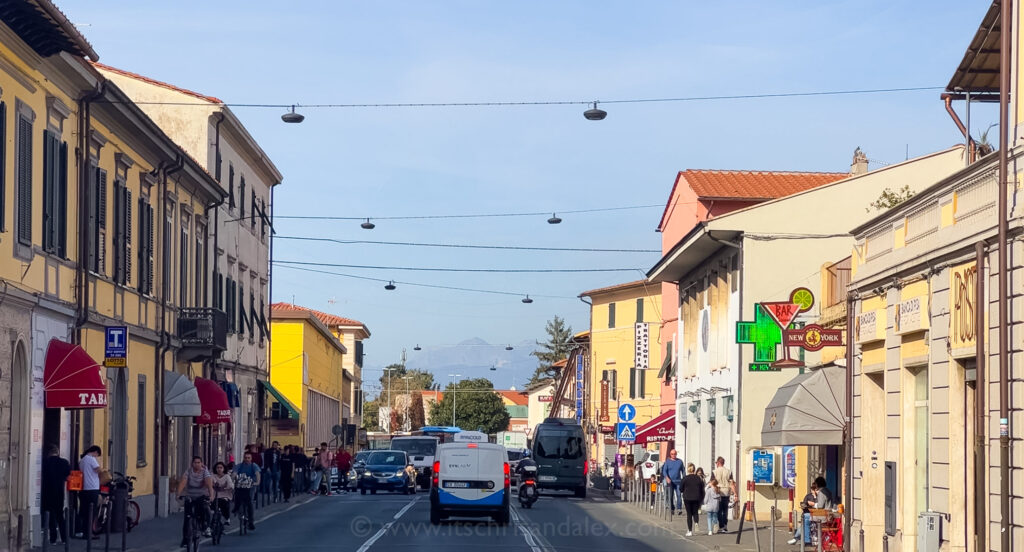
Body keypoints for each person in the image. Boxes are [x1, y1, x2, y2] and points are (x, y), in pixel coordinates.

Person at [176, 456, 215, 546]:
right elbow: (183, 482)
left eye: (198, 462)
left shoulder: (205, 472)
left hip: (202, 495)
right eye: (195, 462)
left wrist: (211, 495)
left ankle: (206, 527)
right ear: (192, 464)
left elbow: (209, 484)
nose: (197, 464)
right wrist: (178, 493)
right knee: (187, 518)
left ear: (201, 463)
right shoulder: (188, 471)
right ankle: (185, 539)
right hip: (190, 495)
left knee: (205, 508)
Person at [42, 444, 71, 544]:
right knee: (60, 516)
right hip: (59, 492)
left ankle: (53, 539)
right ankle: (64, 539)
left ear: (49, 453)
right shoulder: (64, 462)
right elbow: (68, 478)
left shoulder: (45, 462)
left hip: (47, 492)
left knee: (50, 517)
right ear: (58, 452)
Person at [75, 445, 102, 539]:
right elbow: (98, 470)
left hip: (84, 488)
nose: (96, 456)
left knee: (85, 512)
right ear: (94, 452)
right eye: (97, 454)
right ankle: (90, 533)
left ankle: (84, 532)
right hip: (92, 488)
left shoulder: (82, 460)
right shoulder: (91, 459)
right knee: (92, 512)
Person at [233, 451, 260, 531]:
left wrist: (257, 482)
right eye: (245, 458)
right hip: (240, 485)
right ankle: (237, 510)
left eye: (248, 458)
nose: (247, 459)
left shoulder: (254, 466)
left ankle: (251, 521)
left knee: (250, 502)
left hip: (250, 486)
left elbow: (257, 474)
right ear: (243, 458)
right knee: (237, 499)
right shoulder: (239, 466)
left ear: (251, 458)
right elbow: (234, 473)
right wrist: (232, 479)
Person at [681, 463, 705, 536]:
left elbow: (681, 488)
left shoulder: (685, 478)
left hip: (687, 497)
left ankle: (690, 531)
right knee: (695, 512)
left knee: (689, 514)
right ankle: (696, 522)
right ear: (694, 469)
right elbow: (702, 488)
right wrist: (701, 497)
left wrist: (684, 490)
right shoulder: (698, 478)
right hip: (696, 497)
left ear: (688, 469)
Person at [712, 456, 734, 533]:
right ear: (723, 463)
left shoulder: (715, 471)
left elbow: (712, 483)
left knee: (718, 510)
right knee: (725, 510)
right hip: (726, 491)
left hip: (718, 492)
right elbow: (732, 483)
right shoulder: (729, 471)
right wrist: (735, 493)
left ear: (718, 463)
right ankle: (725, 526)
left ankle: (721, 526)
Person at [211, 462, 234, 527]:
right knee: (212, 505)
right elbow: (210, 483)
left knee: (225, 504)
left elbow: (230, 485)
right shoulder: (213, 476)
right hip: (215, 495)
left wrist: (226, 487)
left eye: (221, 468)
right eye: (218, 468)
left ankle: (227, 518)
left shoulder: (227, 476)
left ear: (224, 469)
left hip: (225, 495)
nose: (219, 469)